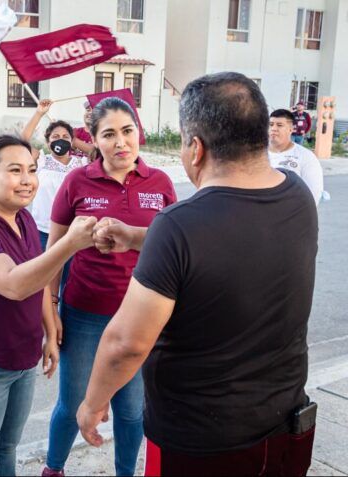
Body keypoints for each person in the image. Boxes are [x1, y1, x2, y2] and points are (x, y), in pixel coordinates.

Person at [76, 72, 318, 476]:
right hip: (286, 425)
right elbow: (229, 241)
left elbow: (127, 343)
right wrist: (139, 237)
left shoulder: (179, 225)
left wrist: (93, 403)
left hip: (203, 442)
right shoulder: (296, 194)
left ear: (196, 147)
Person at [0, 134, 100, 476]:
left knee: (5, 450)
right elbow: (15, 284)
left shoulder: (23, 218)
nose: (27, 180)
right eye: (14, 170)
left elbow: (40, 278)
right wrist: (70, 243)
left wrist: (49, 328)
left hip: (22, 357)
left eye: (31, 169)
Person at [43, 97, 176, 477]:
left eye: (127, 131)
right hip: (83, 312)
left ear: (139, 132)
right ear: (94, 140)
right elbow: (54, 253)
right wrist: (51, 308)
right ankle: (53, 469)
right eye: (109, 134)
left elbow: (172, 248)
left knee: (132, 410)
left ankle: (124, 473)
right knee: (71, 405)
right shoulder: (77, 181)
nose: (121, 142)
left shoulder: (161, 183)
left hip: (141, 317)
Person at [21, 99, 86, 297]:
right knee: (43, 285)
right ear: (48, 142)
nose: (60, 139)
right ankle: (45, 324)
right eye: (55, 136)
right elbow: (22, 140)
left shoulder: (82, 163)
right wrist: (39, 113)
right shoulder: (41, 160)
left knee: (70, 285)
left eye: (65, 136)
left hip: (74, 233)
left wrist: (75, 142)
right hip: (42, 232)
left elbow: (96, 150)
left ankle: (64, 323)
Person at [268, 108, 324, 204]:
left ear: (291, 129)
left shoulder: (306, 157)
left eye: (279, 125)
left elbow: (313, 194)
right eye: (271, 125)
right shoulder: (256, 154)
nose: (274, 128)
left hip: (291, 214)